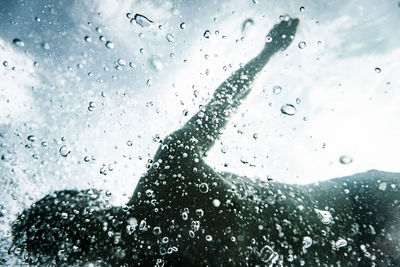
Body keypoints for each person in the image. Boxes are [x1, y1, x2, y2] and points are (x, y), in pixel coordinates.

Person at [10, 17, 399, 266]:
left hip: (363, 202)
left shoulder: (166, 175)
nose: (84, 241)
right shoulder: (164, 180)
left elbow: (220, 105)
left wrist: (267, 51)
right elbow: (219, 105)